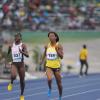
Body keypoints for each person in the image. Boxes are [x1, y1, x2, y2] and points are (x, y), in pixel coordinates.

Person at [40, 32, 63, 100]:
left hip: (57, 67)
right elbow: (45, 53)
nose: (50, 37)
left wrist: (57, 50)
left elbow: (61, 56)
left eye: (52, 36)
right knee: (49, 79)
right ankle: (50, 88)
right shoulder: (47, 46)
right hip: (49, 66)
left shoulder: (59, 46)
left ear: (55, 37)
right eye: (49, 36)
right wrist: (41, 60)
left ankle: (60, 97)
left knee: (59, 84)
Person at [7, 33, 29, 100]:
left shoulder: (23, 45)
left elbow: (27, 55)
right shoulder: (11, 45)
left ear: (20, 38)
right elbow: (8, 54)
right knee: (13, 76)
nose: (16, 37)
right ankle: (11, 82)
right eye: (15, 36)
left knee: (22, 80)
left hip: (21, 65)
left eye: (17, 36)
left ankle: (22, 95)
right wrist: (8, 62)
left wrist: (22, 52)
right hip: (14, 64)